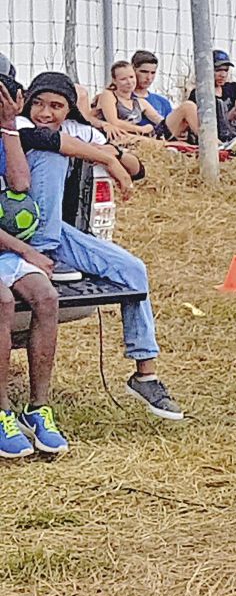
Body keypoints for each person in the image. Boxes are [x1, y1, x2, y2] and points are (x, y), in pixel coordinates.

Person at [5, 71, 173, 434]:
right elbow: (46, 140)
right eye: (38, 103)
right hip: (23, 236)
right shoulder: (19, 124)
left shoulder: (79, 129)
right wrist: (106, 159)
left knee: (133, 271)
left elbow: (138, 170)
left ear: (70, 109)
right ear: (25, 102)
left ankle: (145, 373)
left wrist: (116, 153)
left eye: (56, 106)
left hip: (55, 233)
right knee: (50, 154)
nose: (45, 112)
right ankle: (41, 255)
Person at [0, 80, 67, 455]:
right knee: (3, 302)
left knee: (46, 298)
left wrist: (9, 126)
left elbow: (21, 183)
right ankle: (1, 411)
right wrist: (27, 250)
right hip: (11, 247)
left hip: (6, 251)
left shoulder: (10, 133)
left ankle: (37, 409)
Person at [93, 59, 165, 138]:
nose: (129, 82)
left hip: (132, 137)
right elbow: (113, 122)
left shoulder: (139, 102)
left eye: (131, 77)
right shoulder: (109, 95)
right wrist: (141, 129)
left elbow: (159, 119)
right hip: (112, 137)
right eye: (123, 79)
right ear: (114, 81)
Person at [129, 49, 174, 123]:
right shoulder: (120, 99)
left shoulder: (163, 102)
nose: (149, 77)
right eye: (144, 72)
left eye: (153, 73)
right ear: (133, 69)